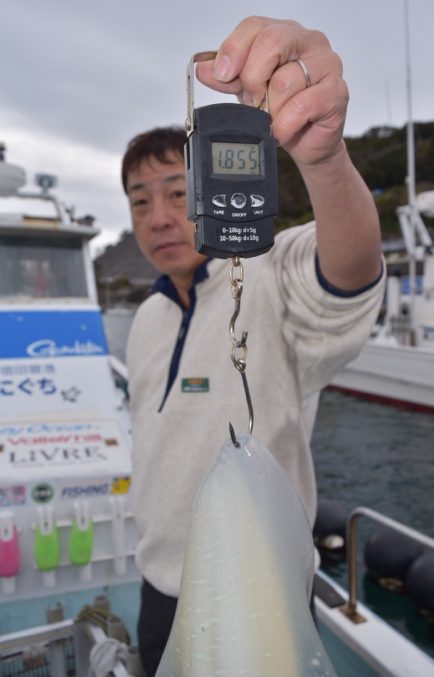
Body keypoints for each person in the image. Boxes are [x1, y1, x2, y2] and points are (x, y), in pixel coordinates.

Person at [121, 16, 385, 676]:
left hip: (264, 595)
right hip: (160, 586)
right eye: (138, 201)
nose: (158, 217)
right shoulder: (146, 317)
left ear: (207, 189)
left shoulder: (267, 273)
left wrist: (323, 160)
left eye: (178, 192)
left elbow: (344, 272)